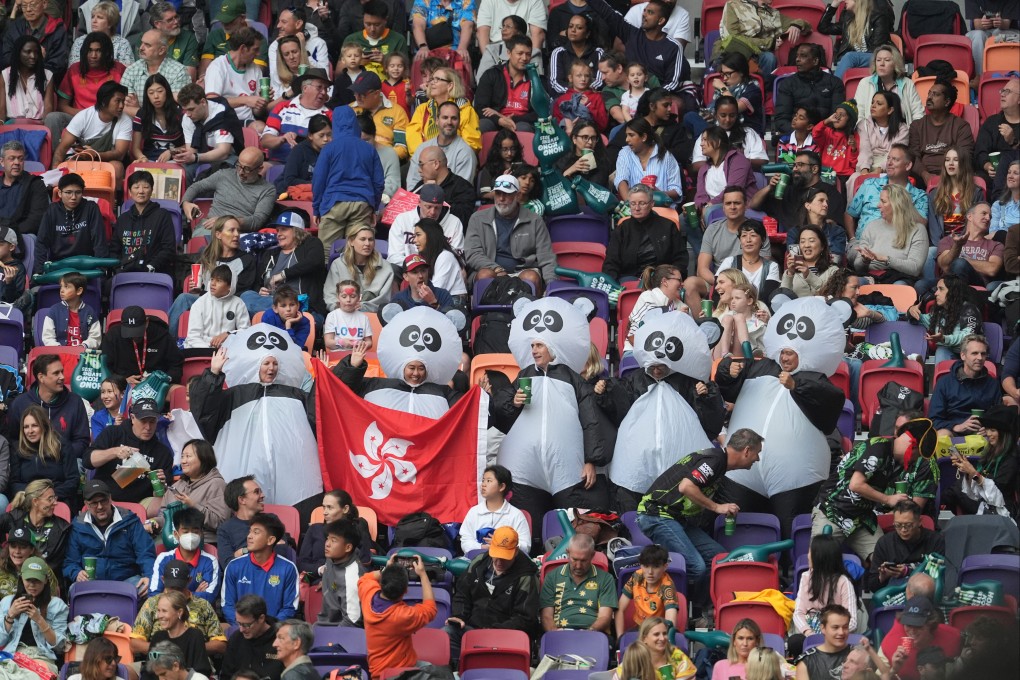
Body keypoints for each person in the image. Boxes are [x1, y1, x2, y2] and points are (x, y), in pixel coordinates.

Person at [636, 431, 762, 606]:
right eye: (758, 453)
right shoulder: (716, 460)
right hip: (656, 514)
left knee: (718, 557)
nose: (758, 459)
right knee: (697, 567)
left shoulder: (719, 461)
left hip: (676, 518)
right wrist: (717, 507)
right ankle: (673, 607)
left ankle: (701, 610)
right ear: (747, 450)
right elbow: (686, 486)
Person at [813, 415, 932, 561]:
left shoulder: (898, 463)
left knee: (885, 561)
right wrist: (888, 499)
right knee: (820, 562)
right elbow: (856, 484)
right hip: (833, 510)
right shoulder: (879, 447)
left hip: (862, 517)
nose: (915, 460)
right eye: (916, 455)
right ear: (911, 447)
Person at [446, 525, 539, 660]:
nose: (499, 561)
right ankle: (456, 670)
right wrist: (459, 616)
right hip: (471, 628)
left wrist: (492, 631)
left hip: (505, 636)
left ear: (516, 551)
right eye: (496, 555)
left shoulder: (527, 577)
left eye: (505, 557)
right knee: (448, 632)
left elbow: (525, 619)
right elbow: (462, 594)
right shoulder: (478, 563)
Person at [464, 174, 556, 294]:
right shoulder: (477, 218)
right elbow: (472, 253)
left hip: (523, 271)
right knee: (485, 275)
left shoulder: (535, 220)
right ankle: (483, 313)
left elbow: (546, 257)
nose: (501, 199)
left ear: (517, 195)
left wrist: (552, 286)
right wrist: (495, 268)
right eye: (498, 194)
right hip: (491, 270)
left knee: (531, 277)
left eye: (507, 194)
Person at [168, 217, 260, 333]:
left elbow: (240, 291)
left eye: (238, 230)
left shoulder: (247, 259)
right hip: (205, 301)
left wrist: (203, 293)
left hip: (229, 305)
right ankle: (168, 341)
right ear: (218, 234)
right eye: (231, 230)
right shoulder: (207, 256)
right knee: (183, 298)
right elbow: (203, 285)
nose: (237, 234)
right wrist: (197, 287)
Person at [63, 480, 156, 594]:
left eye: (104, 501)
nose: (100, 506)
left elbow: (145, 553)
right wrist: (76, 573)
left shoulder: (129, 521)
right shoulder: (78, 526)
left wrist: (148, 576)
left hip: (127, 580)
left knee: (147, 589)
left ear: (110, 498)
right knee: (74, 591)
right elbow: (70, 562)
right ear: (86, 504)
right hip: (91, 582)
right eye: (94, 503)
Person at [313, 107, 384, 252]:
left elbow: (318, 180)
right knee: (357, 251)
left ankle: (329, 275)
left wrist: (316, 208)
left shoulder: (329, 148)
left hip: (334, 203)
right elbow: (378, 182)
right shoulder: (369, 148)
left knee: (327, 251)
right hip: (362, 203)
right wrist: (374, 207)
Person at [587, 0, 692, 98]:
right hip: (628, 92)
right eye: (644, 11)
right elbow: (607, 12)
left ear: (661, 20)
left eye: (650, 12)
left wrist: (651, 97)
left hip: (655, 97)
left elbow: (671, 83)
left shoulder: (673, 47)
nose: (644, 14)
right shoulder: (631, 34)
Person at [86, 398, 175, 509]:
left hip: (139, 505)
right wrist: (115, 452)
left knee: (166, 503)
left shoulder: (163, 452)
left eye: (152, 421)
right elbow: (88, 461)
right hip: (105, 499)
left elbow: (160, 495)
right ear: (132, 418)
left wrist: (162, 485)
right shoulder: (113, 433)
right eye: (143, 421)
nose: (148, 427)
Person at [358, 555, 437, 679]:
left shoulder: (368, 593)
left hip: (377, 672)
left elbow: (365, 579)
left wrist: (386, 570)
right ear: (405, 591)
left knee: (429, 667)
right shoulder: (402, 616)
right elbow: (430, 609)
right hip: (399, 673)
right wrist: (422, 574)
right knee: (441, 674)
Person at [4, 354, 90, 465]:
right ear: (41, 377)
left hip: (64, 461)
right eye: (56, 373)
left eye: (62, 372)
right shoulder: (20, 403)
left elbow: (82, 441)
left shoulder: (75, 402)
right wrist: (34, 457)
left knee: (78, 464)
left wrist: (57, 454)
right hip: (30, 462)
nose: (62, 377)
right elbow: (13, 440)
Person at [131, 559, 225, 656]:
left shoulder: (203, 605)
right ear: (163, 580)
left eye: (179, 588)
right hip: (159, 662)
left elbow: (220, 644)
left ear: (189, 580)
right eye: (171, 587)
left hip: (195, 662)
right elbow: (134, 644)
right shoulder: (151, 604)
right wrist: (164, 651)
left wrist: (190, 648)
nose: (175, 592)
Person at [221, 513, 299, 622]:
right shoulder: (234, 566)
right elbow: (227, 605)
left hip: (273, 632)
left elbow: (289, 608)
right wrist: (244, 626)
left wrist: (268, 629)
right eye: (250, 531)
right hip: (241, 630)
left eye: (256, 532)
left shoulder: (288, 568)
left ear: (270, 540)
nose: (249, 536)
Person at [149, 440, 230, 544]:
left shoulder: (216, 484)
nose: (183, 461)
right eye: (182, 456)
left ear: (204, 458)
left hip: (204, 543)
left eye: (188, 456)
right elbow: (165, 517)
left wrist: (192, 505)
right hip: (173, 539)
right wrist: (155, 522)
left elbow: (221, 523)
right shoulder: (177, 485)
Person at [181, 148, 277, 235]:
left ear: (260, 169)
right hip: (210, 229)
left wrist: (226, 221)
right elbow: (197, 186)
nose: (240, 172)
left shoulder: (267, 190)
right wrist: (186, 203)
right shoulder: (224, 175)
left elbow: (257, 221)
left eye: (247, 169)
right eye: (239, 165)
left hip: (238, 233)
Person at [945, 404, 1018, 517]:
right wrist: (967, 470)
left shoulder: (1012, 459)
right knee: (954, 489)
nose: (988, 434)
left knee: (956, 490)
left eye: (993, 430)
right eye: (988, 429)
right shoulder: (990, 453)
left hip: (1001, 510)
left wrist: (973, 472)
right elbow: (978, 486)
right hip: (983, 502)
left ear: (1004, 434)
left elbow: (997, 494)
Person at [604, 183, 687, 282]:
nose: (637, 208)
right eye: (633, 203)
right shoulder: (622, 229)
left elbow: (680, 258)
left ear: (652, 204)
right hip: (629, 279)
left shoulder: (668, 226)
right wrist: (613, 284)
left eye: (642, 203)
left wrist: (672, 278)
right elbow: (611, 262)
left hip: (662, 280)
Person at [751, 150, 847, 234]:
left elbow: (833, 224)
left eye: (800, 165)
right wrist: (769, 187)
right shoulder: (788, 191)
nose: (795, 169)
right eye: (794, 165)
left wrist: (803, 237)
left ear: (814, 169)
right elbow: (754, 204)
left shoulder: (829, 193)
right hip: (785, 244)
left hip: (817, 243)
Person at [253, 211, 327, 318]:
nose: (279, 234)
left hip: (302, 307)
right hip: (272, 303)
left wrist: (283, 275)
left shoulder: (312, 243)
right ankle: (279, 313)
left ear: (297, 231)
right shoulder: (270, 254)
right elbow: (257, 283)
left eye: (284, 229)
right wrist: (259, 290)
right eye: (277, 230)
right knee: (247, 296)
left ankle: (283, 314)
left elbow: (314, 262)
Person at [848, 184, 927, 284]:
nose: (878, 205)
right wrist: (865, 260)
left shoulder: (918, 230)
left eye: (883, 201)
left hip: (900, 278)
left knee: (899, 286)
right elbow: (858, 268)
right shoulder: (872, 226)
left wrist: (886, 259)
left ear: (897, 205)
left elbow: (915, 268)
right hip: (871, 277)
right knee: (854, 283)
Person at [846, 144, 929, 239]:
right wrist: (852, 239)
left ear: (908, 165)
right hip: (863, 245)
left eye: (895, 159)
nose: (889, 163)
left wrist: (903, 202)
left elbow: (922, 225)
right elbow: (849, 214)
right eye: (888, 158)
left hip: (897, 247)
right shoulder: (870, 184)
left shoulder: (919, 195)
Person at [0, 556, 67, 671]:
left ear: (46, 580)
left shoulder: (57, 605)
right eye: (28, 580)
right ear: (21, 579)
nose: (32, 585)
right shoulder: (7, 602)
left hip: (41, 657)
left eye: (37, 580)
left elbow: (60, 647)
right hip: (12, 655)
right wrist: (10, 616)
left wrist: (40, 620)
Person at [715, 0, 811, 79]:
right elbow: (733, 39)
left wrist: (797, 25)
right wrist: (769, 43)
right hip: (733, 52)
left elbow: (807, 26)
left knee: (769, 58)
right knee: (737, 58)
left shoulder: (773, 13)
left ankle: (764, 93)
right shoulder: (733, 5)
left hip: (758, 55)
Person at [539, 533, 616, 632]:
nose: (578, 566)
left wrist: (587, 633)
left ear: (592, 555)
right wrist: (556, 635)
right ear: (568, 553)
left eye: (583, 561)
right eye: (574, 559)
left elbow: (605, 616)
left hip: (593, 634)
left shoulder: (606, 578)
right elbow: (546, 616)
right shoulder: (552, 577)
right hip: (560, 633)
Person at [927, 334, 1001, 436]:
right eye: (974, 353)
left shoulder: (993, 384)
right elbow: (934, 419)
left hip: (983, 434)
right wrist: (957, 426)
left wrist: (989, 429)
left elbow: (1000, 418)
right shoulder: (945, 382)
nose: (979, 358)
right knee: (942, 434)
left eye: (983, 354)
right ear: (963, 355)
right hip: (954, 432)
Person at [34, 173, 110, 271]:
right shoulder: (52, 211)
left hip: (87, 264)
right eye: (68, 192)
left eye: (78, 192)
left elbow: (99, 242)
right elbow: (41, 243)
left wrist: (101, 270)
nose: (73, 197)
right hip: (58, 265)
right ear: (60, 193)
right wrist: (40, 271)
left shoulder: (91, 208)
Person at [698, 189, 773, 286]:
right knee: (691, 284)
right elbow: (702, 268)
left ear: (746, 206)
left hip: (749, 283)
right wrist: (721, 284)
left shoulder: (758, 230)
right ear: (723, 207)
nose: (732, 207)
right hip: (717, 280)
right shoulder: (712, 229)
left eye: (737, 203)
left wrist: (739, 288)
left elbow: (763, 267)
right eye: (728, 203)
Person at [866, 499, 945, 591]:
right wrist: (882, 577)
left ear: (919, 521)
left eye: (908, 525)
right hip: (893, 594)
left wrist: (907, 571)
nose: (903, 530)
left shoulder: (935, 540)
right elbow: (872, 585)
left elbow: (940, 576)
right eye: (898, 525)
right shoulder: (885, 543)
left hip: (926, 592)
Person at [793, 535, 862, 639]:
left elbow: (851, 621)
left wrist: (829, 633)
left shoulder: (843, 582)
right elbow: (798, 613)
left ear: (820, 557)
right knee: (794, 642)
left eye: (811, 552)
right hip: (811, 632)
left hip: (836, 635)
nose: (808, 556)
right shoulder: (806, 577)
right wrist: (809, 633)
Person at [9, 406, 79, 507]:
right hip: (28, 500)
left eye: (34, 425)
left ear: (44, 426)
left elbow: (73, 481)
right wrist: (33, 496)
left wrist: (49, 496)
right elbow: (14, 483)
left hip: (57, 499)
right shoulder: (18, 449)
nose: (30, 431)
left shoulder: (62, 446)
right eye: (26, 427)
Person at [909, 78, 975, 184]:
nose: (929, 97)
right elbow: (913, 156)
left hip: (952, 176)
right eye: (929, 93)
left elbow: (964, 156)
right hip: (922, 176)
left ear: (947, 102)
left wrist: (946, 176)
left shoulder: (961, 126)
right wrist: (925, 175)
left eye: (935, 94)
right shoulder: (917, 125)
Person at [113, 169, 178, 277]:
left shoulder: (162, 215)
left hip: (154, 273)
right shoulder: (123, 219)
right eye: (136, 187)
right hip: (125, 274)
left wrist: (152, 266)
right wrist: (119, 268)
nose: (141, 191)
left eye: (146, 187)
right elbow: (114, 249)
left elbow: (168, 249)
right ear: (129, 192)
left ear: (152, 190)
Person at [881, 596, 961, 680]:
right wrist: (894, 670)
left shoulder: (954, 638)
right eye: (908, 625)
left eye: (917, 625)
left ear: (930, 624)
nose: (912, 630)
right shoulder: (889, 643)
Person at [907, 276, 984, 364]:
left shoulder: (969, 310)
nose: (936, 293)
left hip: (972, 358)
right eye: (937, 289)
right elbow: (920, 319)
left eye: (941, 289)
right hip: (949, 355)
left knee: (942, 350)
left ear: (953, 292)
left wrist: (944, 339)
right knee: (942, 350)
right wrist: (911, 311)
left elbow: (968, 338)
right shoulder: (939, 311)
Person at [0, 480, 70, 576]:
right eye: (50, 499)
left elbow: (57, 565)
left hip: (43, 580)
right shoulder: (14, 518)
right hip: (13, 577)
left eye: (54, 498)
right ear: (35, 501)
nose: (55, 503)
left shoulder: (62, 528)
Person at [297, 491, 373, 579]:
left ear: (345, 509)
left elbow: (364, 563)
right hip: (317, 580)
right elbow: (301, 563)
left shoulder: (356, 529)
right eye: (324, 507)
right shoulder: (314, 529)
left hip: (348, 582)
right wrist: (320, 569)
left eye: (330, 508)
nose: (325, 512)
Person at [175, 84, 244, 181]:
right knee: (184, 172)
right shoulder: (187, 118)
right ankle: (187, 196)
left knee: (220, 171)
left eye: (191, 109)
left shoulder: (221, 113)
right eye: (185, 110)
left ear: (203, 102)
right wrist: (184, 156)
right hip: (201, 157)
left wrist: (195, 157)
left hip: (227, 158)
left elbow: (223, 152)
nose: (188, 114)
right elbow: (192, 151)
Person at [458, 465, 532, 555]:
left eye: (489, 481)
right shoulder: (474, 512)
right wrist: (482, 547)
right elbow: (465, 541)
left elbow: (525, 546)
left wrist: (503, 545)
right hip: (477, 561)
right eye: (483, 480)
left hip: (507, 563)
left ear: (502, 487)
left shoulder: (516, 515)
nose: (483, 485)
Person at [101, 305, 184, 385]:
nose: (134, 336)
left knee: (177, 390)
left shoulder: (161, 335)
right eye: (129, 332)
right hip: (123, 385)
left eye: (137, 332)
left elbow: (176, 366)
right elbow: (105, 368)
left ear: (147, 322)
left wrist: (164, 379)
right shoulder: (113, 336)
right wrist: (123, 381)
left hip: (157, 385)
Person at [774, 44, 846, 135]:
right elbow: (781, 120)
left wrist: (818, 133)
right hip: (797, 136)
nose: (797, 59)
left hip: (825, 136)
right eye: (797, 56)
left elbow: (837, 117)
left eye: (803, 56)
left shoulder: (834, 83)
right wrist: (801, 134)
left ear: (815, 61)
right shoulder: (788, 84)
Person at [141, 592, 213, 680]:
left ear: (179, 612)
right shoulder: (158, 637)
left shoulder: (195, 636)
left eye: (164, 611)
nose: (159, 616)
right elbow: (148, 672)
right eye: (158, 611)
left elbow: (202, 670)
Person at [473, 35, 538, 134]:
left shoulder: (535, 79)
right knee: (483, 125)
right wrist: (499, 119)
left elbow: (539, 113)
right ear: (509, 53)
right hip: (495, 121)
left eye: (528, 54)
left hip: (521, 122)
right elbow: (480, 107)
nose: (524, 58)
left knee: (523, 128)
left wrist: (509, 118)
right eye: (520, 53)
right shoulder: (492, 74)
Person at [120, 30, 190, 118]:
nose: (141, 48)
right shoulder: (132, 70)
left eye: (147, 45)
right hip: (138, 126)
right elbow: (123, 106)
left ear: (161, 50)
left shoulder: (178, 71)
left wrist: (139, 111)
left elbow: (175, 109)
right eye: (142, 43)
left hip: (170, 126)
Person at [324, 225, 393, 313]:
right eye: (363, 239)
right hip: (343, 314)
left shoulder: (385, 266)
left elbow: (384, 300)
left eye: (371, 239)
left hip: (373, 316)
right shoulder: (338, 264)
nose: (367, 243)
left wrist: (362, 307)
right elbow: (330, 295)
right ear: (351, 241)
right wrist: (340, 309)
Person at [934, 203, 1002, 290]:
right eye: (984, 213)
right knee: (921, 285)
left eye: (990, 216)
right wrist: (957, 246)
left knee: (960, 264)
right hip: (947, 281)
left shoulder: (996, 245)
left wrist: (963, 260)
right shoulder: (948, 240)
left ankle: (954, 299)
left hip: (977, 285)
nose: (988, 218)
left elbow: (992, 269)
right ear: (970, 216)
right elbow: (945, 266)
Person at [818, 0, 894, 78]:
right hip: (856, 59)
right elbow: (824, 28)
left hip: (877, 57)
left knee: (850, 57)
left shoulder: (879, 17)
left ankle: (833, 87)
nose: (844, 0)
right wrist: (834, 5)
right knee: (849, 57)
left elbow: (878, 49)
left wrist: (856, 59)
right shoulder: (848, 18)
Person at [615, 546, 679, 637]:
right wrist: (620, 637)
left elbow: (670, 621)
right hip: (640, 628)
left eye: (656, 566)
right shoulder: (636, 576)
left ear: (665, 567)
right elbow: (620, 609)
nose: (650, 572)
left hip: (660, 630)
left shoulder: (667, 586)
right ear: (641, 565)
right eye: (646, 566)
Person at [927, 147, 986, 245]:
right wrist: (942, 246)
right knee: (929, 255)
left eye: (956, 160)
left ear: (964, 164)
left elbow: (976, 226)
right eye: (947, 160)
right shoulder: (934, 194)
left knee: (959, 261)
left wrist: (959, 243)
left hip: (967, 244)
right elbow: (934, 229)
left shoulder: (976, 193)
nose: (950, 163)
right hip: (941, 246)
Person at [852, 45, 924, 125]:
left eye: (887, 60)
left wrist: (912, 134)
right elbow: (858, 114)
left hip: (903, 133)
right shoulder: (865, 83)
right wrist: (865, 134)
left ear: (895, 64)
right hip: (871, 134)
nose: (881, 64)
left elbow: (918, 114)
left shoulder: (907, 83)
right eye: (878, 60)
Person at [616, 119, 684, 203]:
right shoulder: (625, 153)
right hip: (634, 210)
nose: (627, 139)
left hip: (662, 208)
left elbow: (676, 190)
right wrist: (631, 204)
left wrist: (658, 193)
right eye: (626, 135)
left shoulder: (666, 156)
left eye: (631, 135)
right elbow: (621, 180)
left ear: (644, 137)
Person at [0, 0, 68, 83]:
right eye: (24, 5)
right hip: (17, 83)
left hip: (45, 84)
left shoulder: (57, 30)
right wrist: (31, 58)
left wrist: (36, 65)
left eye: (33, 5)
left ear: (44, 4)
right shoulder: (15, 28)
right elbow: (6, 58)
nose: (28, 9)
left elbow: (58, 66)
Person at [220, 595, 284, 680]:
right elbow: (226, 675)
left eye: (246, 625)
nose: (241, 629)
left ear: (261, 618)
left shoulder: (281, 639)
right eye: (239, 623)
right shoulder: (236, 639)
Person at [316, 518, 365, 626]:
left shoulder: (353, 577)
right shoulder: (332, 558)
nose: (327, 544)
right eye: (327, 538)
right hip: (322, 623)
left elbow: (352, 621)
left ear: (348, 547)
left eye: (333, 540)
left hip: (338, 631)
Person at [695, 125, 757, 210]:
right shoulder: (703, 169)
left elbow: (733, 190)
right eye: (701, 140)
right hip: (710, 209)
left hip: (736, 207)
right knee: (684, 218)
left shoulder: (738, 160)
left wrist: (710, 205)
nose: (701, 144)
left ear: (718, 142)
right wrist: (697, 208)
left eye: (705, 140)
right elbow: (700, 196)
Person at [975, 76, 1019, 193]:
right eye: (1002, 91)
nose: (1002, 94)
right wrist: (987, 165)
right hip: (993, 176)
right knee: (977, 179)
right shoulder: (992, 122)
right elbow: (980, 150)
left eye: (1007, 91)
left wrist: (1013, 141)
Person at [130, 74, 185, 163]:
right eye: (151, 93)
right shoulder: (141, 114)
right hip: (149, 160)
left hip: (176, 161)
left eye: (160, 91)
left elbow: (190, 146)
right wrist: (142, 158)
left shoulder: (180, 114)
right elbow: (135, 148)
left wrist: (171, 151)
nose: (156, 96)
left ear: (167, 91)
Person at [41, 271, 102, 348]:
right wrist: (59, 349)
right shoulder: (54, 311)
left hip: (82, 355)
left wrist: (84, 346)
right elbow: (48, 337)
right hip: (60, 355)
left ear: (79, 291)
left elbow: (95, 338)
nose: (61, 290)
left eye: (66, 287)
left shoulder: (89, 311)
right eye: (61, 286)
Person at [1, 35, 54, 122]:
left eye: (36, 52)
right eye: (28, 52)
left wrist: (44, 127)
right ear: (18, 53)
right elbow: (1, 109)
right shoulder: (5, 75)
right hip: (12, 125)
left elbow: (48, 107)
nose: (33, 56)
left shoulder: (47, 75)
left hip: (38, 125)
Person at [0, 141, 48, 237]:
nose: (17, 163)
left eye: (20, 159)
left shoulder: (35, 184)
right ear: (2, 162)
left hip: (22, 236)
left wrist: (7, 235)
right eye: (12, 158)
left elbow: (36, 219)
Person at [411, 217, 466, 299]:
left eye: (418, 235)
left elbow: (434, 291)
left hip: (452, 305)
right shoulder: (428, 257)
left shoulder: (446, 256)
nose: (414, 240)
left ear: (430, 235)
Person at [276, 114, 332, 193]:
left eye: (329, 135)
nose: (326, 139)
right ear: (310, 135)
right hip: (290, 194)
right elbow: (289, 180)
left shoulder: (332, 152)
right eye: (321, 135)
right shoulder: (299, 151)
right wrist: (317, 184)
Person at [795, 605, 854, 680]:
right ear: (823, 628)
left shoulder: (856, 655)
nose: (841, 632)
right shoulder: (807, 662)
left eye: (845, 627)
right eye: (835, 627)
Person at [856, 91, 908, 175]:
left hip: (891, 167)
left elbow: (896, 153)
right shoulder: (863, 124)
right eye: (872, 102)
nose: (873, 106)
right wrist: (864, 170)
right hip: (867, 165)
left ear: (890, 110)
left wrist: (879, 170)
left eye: (879, 103)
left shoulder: (902, 129)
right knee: (854, 179)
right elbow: (864, 150)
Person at [69, 2, 135, 68]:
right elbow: (73, 69)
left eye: (99, 17)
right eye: (92, 17)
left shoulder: (122, 43)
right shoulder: (80, 42)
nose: (94, 21)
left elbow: (128, 71)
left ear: (110, 23)